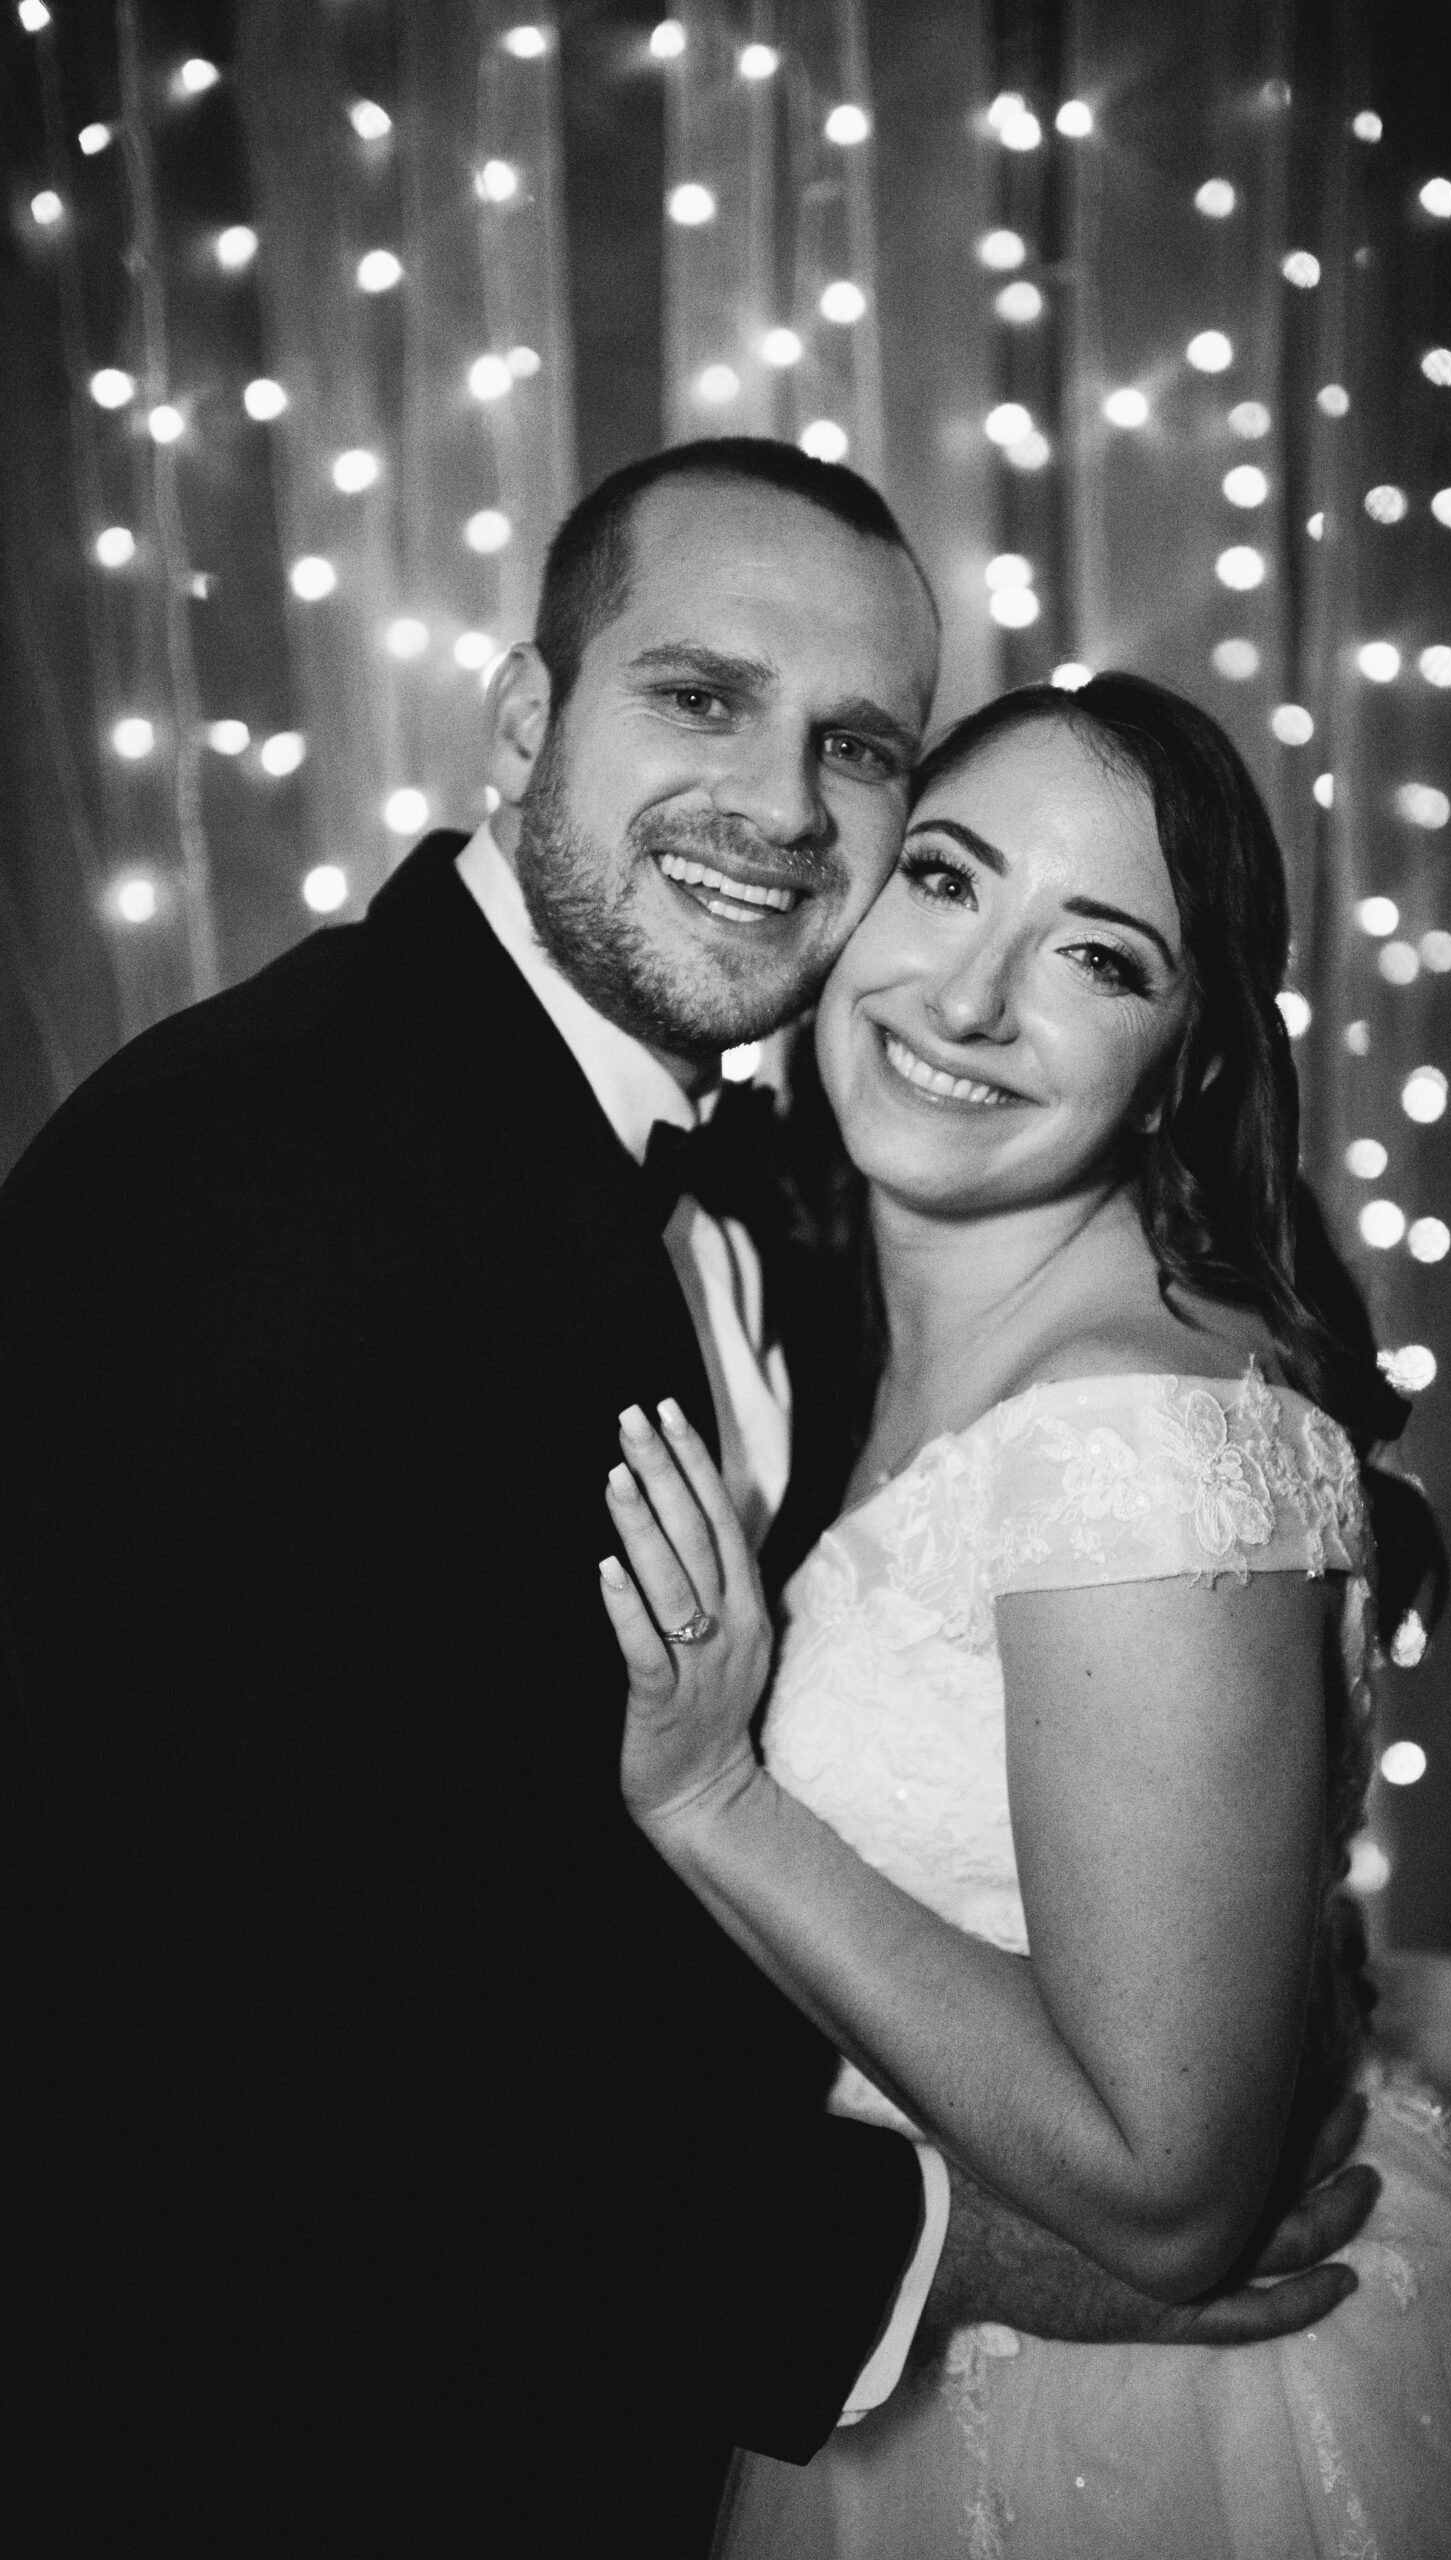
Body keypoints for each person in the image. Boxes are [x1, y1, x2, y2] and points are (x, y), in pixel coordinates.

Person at [0, 446, 1375, 2559]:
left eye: (857, 750)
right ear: (530, 715)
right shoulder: (249, 1181)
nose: (784, 812)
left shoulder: (806, 1209)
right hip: (303, 2442)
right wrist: (947, 2253)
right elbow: (202, 2016)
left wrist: (1241, 1938)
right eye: (702, 697)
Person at [600, 674, 1451, 2555]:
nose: (965, 1000)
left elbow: (1171, 2194)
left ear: (1185, 1051)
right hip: (901, 2349)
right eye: (944, 883)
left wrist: (721, 1807)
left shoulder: (1141, 1437)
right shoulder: (861, 1316)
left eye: (1098, 958)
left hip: (1156, 2419)